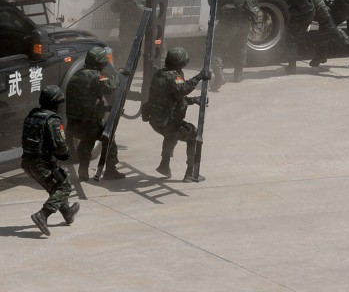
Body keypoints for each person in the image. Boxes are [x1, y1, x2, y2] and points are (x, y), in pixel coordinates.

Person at [144, 47, 209, 182]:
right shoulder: (175, 76)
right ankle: (190, 173)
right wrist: (199, 77)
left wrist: (194, 100)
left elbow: (172, 98)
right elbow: (182, 90)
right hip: (167, 122)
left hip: (156, 121)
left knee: (172, 134)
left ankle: (164, 165)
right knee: (193, 135)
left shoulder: (160, 74)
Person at [22, 85, 80, 236]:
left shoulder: (32, 115)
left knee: (57, 186)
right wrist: (66, 155)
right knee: (65, 187)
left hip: (27, 161)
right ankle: (42, 215)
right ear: (56, 103)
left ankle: (67, 213)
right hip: (42, 163)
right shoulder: (52, 119)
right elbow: (60, 145)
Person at [66, 46, 129, 181]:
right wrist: (120, 73)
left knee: (87, 142)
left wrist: (106, 109)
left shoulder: (76, 76)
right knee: (109, 140)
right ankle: (111, 171)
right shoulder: (95, 77)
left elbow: (85, 100)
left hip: (73, 124)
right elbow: (108, 87)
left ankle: (83, 169)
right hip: (90, 123)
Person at [211, 0, 262, 87]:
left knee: (216, 48)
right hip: (245, 18)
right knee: (241, 46)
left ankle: (219, 76)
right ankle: (238, 75)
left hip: (229, 21)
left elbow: (211, 1)